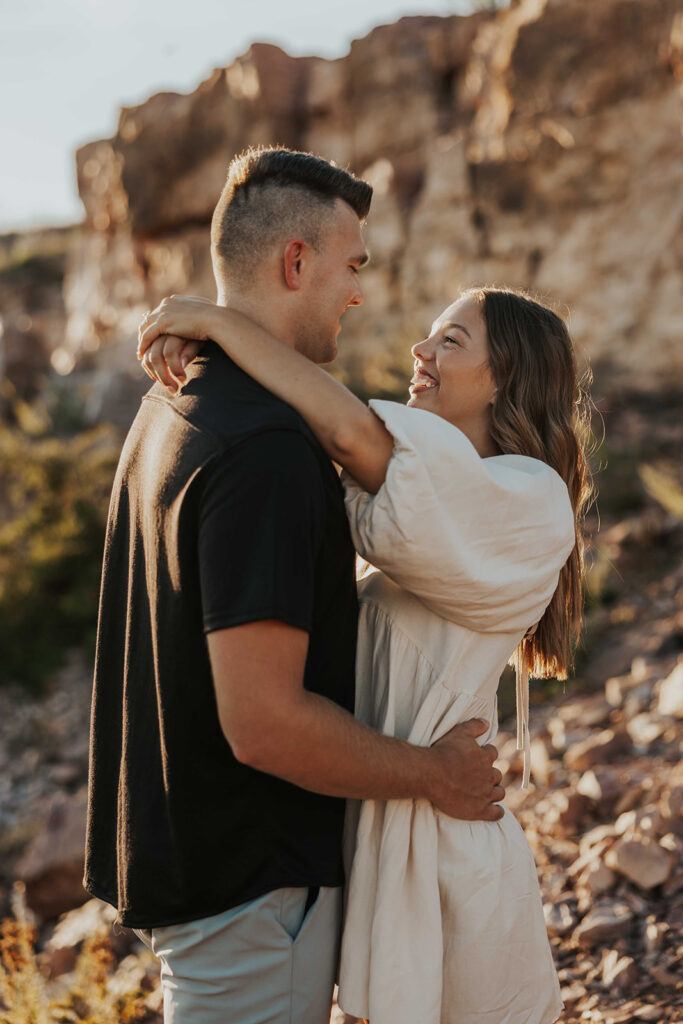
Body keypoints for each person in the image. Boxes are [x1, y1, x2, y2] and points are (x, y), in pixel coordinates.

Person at [84, 146, 505, 1024]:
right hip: (251, 898)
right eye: (351, 266)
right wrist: (435, 774)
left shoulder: (167, 410)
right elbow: (266, 724)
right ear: (295, 262)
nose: (358, 292)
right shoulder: (266, 449)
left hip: (196, 881)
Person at [137, 281, 593, 1024]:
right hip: (386, 828)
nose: (420, 350)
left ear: (506, 377)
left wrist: (217, 321)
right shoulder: (406, 497)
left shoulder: (529, 498)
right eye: (430, 334)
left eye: (451, 341)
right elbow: (325, 439)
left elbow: (345, 432)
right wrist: (213, 355)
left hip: (446, 850)